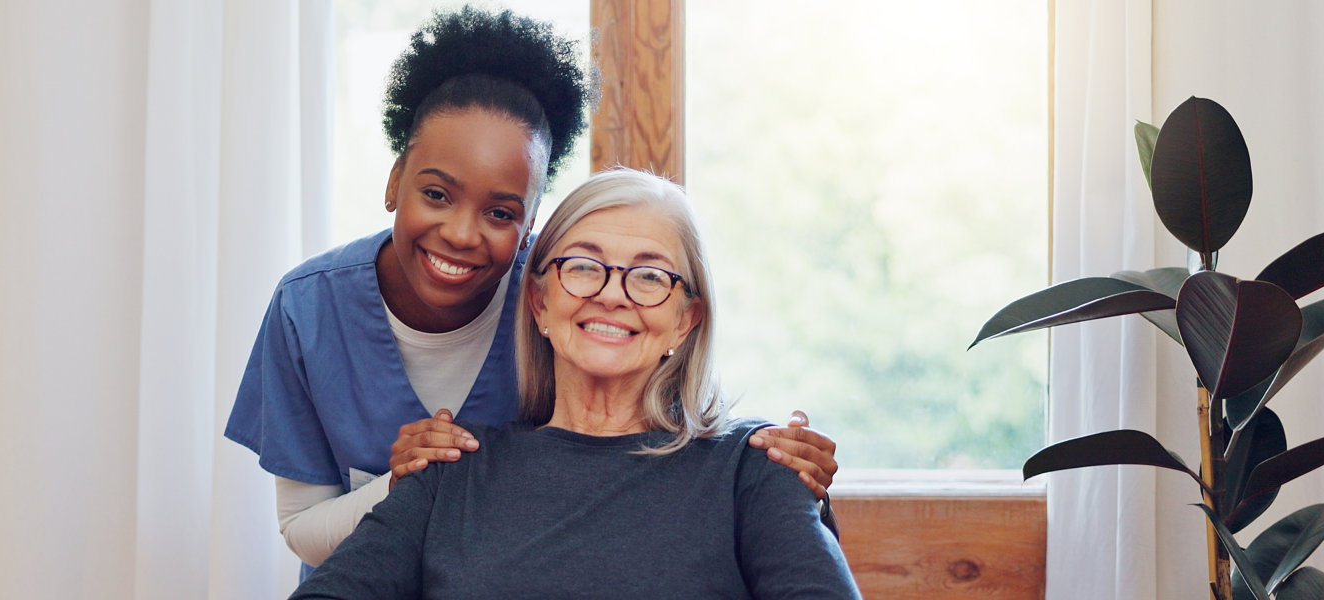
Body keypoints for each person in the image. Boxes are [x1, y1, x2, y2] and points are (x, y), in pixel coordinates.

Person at [223, 7, 842, 573]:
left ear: (531, 226)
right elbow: (301, 527)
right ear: (394, 181)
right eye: (436, 194)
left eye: (501, 212)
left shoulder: (570, 294)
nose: (462, 233)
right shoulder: (308, 310)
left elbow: (649, 415)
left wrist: (767, 458)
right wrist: (404, 482)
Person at [290, 168, 862, 599]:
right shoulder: (450, 470)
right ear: (540, 302)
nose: (611, 293)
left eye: (649, 275)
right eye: (583, 266)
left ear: (686, 321)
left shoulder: (755, 469)